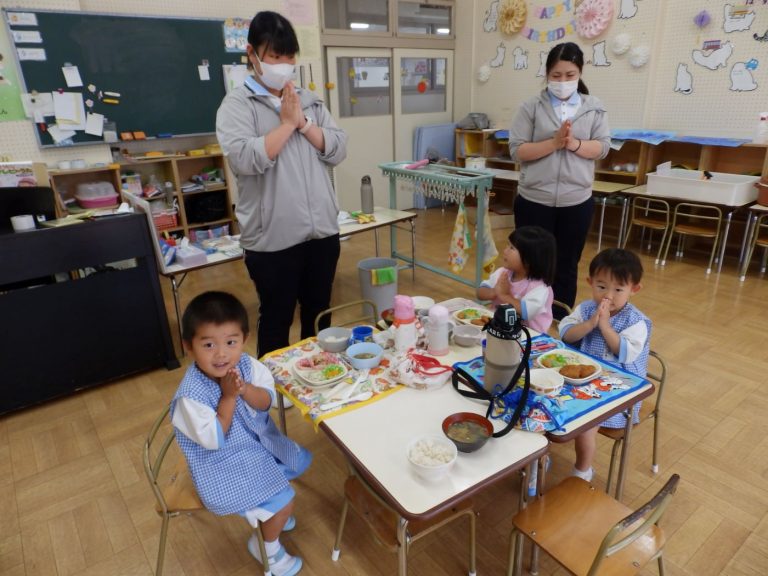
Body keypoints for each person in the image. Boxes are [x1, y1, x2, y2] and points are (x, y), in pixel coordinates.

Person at [216, 11, 347, 357]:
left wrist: (303, 122)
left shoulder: (310, 101)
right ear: (252, 54)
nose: (284, 64)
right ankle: (274, 396)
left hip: (321, 231)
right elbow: (244, 159)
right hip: (272, 239)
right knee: (276, 317)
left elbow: (337, 148)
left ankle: (320, 377)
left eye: (289, 57)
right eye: (275, 56)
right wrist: (287, 125)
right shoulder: (236, 106)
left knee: (319, 313)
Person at [171, 291, 310, 576]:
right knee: (286, 499)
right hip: (221, 462)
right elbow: (215, 439)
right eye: (208, 344)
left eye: (231, 342)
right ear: (188, 346)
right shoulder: (190, 397)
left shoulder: (247, 364)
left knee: (292, 461)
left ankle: (273, 515)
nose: (221, 354)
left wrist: (244, 390)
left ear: (244, 339)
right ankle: (266, 548)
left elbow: (266, 402)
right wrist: (229, 397)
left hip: (252, 443)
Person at [508, 42, 611, 318]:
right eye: (556, 75)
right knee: (529, 262)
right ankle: (525, 314)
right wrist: (554, 143)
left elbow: (602, 148)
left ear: (580, 74)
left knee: (566, 264)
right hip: (534, 200)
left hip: (576, 201)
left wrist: (574, 143)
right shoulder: (530, 107)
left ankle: (559, 320)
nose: (563, 81)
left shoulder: (594, 108)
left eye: (570, 75)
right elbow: (517, 151)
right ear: (546, 74)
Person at [559, 249, 651, 482]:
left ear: (634, 289)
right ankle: (538, 457)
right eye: (601, 287)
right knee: (547, 399)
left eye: (618, 289)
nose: (608, 296)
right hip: (586, 380)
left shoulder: (636, 321)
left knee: (586, 424)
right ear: (590, 283)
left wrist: (606, 327)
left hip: (620, 389)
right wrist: (591, 323)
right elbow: (566, 334)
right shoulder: (586, 308)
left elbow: (626, 354)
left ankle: (582, 471)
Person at [476, 225, 556, 334]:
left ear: (529, 259)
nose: (505, 250)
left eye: (512, 248)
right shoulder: (503, 273)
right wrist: (494, 292)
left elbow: (526, 312)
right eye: (507, 245)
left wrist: (504, 296)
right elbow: (480, 292)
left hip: (530, 338)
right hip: (499, 329)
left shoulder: (540, 287)